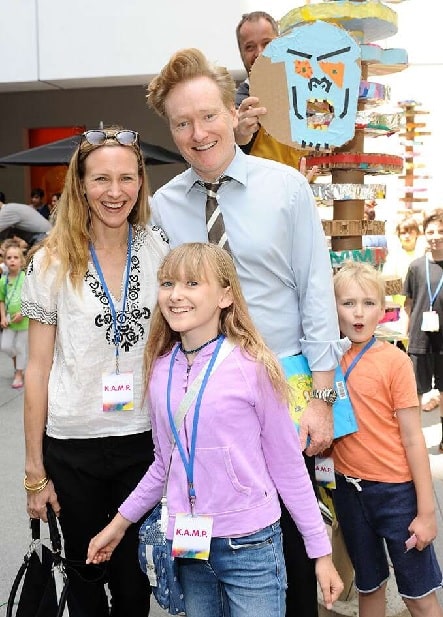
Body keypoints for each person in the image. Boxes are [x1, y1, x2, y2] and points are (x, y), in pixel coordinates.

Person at [146, 48, 348, 617]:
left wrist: (323, 400)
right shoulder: (163, 205)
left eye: (208, 115)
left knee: (293, 539)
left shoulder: (285, 188)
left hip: (285, 384)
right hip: (205, 398)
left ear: (234, 113)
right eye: (182, 122)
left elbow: (314, 290)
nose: (198, 132)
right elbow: (169, 305)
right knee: (211, 550)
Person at [87, 242, 344, 616]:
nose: (176, 295)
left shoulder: (254, 367)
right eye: (168, 283)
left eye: (193, 283)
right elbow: (164, 465)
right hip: (190, 545)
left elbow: (288, 467)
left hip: (251, 546)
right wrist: (118, 525)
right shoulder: (160, 370)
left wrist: (320, 552)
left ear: (226, 295)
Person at [21, 126, 169, 617]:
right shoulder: (49, 262)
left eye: (127, 178)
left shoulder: (159, 250)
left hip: (143, 443)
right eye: (101, 178)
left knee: (133, 582)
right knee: (85, 580)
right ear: (80, 184)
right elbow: (37, 369)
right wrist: (34, 470)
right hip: (73, 446)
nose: (115, 191)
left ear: (141, 183)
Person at [332, 260, 443, 617]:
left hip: (396, 495)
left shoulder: (395, 362)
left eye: (368, 303)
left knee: (418, 595)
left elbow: (413, 439)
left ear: (383, 309)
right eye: (348, 303)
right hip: (348, 492)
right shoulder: (326, 359)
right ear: (332, 308)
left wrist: (426, 512)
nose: (358, 312)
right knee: (369, 585)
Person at [234, 11, 314, 178]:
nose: (259, 53)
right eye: (250, 47)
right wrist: (239, 135)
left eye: (267, 43)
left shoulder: (307, 93)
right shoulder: (238, 106)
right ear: (241, 53)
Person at [404, 209, 443, 445]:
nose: (435, 236)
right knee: (415, 391)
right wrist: (407, 333)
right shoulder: (416, 266)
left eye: (440, 231)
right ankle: (414, 437)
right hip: (419, 337)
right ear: (424, 235)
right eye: (431, 231)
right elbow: (408, 303)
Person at [0, 241, 28, 388]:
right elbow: (2, 300)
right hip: (9, 319)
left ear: (21, 260)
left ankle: (18, 374)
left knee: (20, 346)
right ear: (5, 261)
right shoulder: (3, 280)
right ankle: (19, 362)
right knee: (5, 346)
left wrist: (23, 312)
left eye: (16, 257)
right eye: (9, 257)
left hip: (23, 319)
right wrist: (3, 317)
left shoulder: (25, 278)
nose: (12, 260)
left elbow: (31, 298)